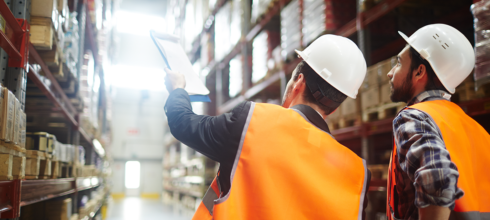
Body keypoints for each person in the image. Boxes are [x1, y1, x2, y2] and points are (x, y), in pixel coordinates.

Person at [164, 35, 371, 220]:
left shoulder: (252, 122)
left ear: (298, 82)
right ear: (334, 108)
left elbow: (183, 123)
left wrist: (178, 90)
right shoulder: (357, 174)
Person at [386, 24, 490, 220]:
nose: (390, 73)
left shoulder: (414, 116)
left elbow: (437, 179)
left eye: (398, 63)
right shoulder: (476, 128)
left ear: (419, 72)